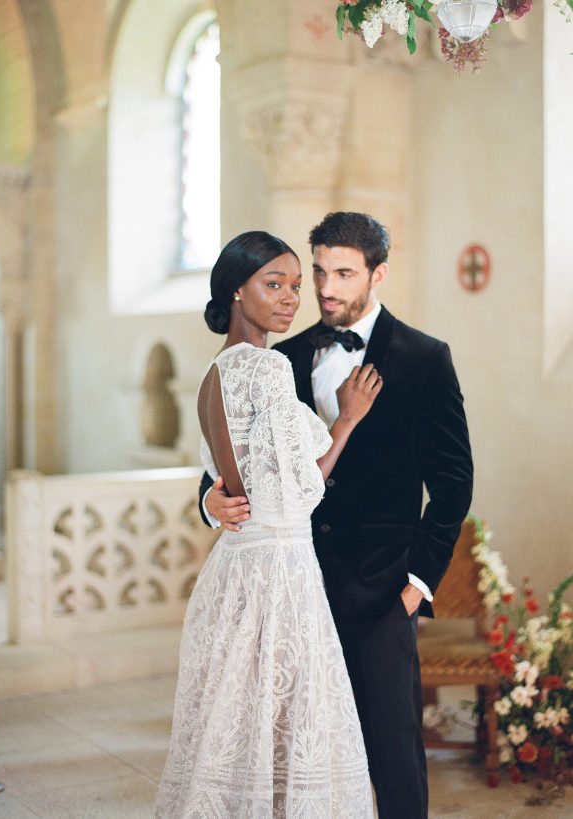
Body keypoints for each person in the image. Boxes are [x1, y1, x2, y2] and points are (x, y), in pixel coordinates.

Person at [200, 213, 474, 819]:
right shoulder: (279, 355)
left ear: (378, 274)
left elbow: (453, 484)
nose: (324, 289)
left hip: (381, 593)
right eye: (318, 271)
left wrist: (416, 584)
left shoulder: (425, 358)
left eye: (343, 274)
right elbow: (232, 458)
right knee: (294, 758)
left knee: (393, 756)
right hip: (291, 592)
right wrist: (208, 501)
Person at [156, 230, 382, 818]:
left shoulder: (214, 373)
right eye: (273, 283)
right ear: (237, 289)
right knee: (283, 730)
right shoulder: (267, 368)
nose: (289, 298)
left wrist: (215, 504)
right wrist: (347, 420)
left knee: (237, 732)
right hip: (278, 575)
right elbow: (295, 496)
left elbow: (237, 483)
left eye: (296, 286)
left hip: (234, 573)